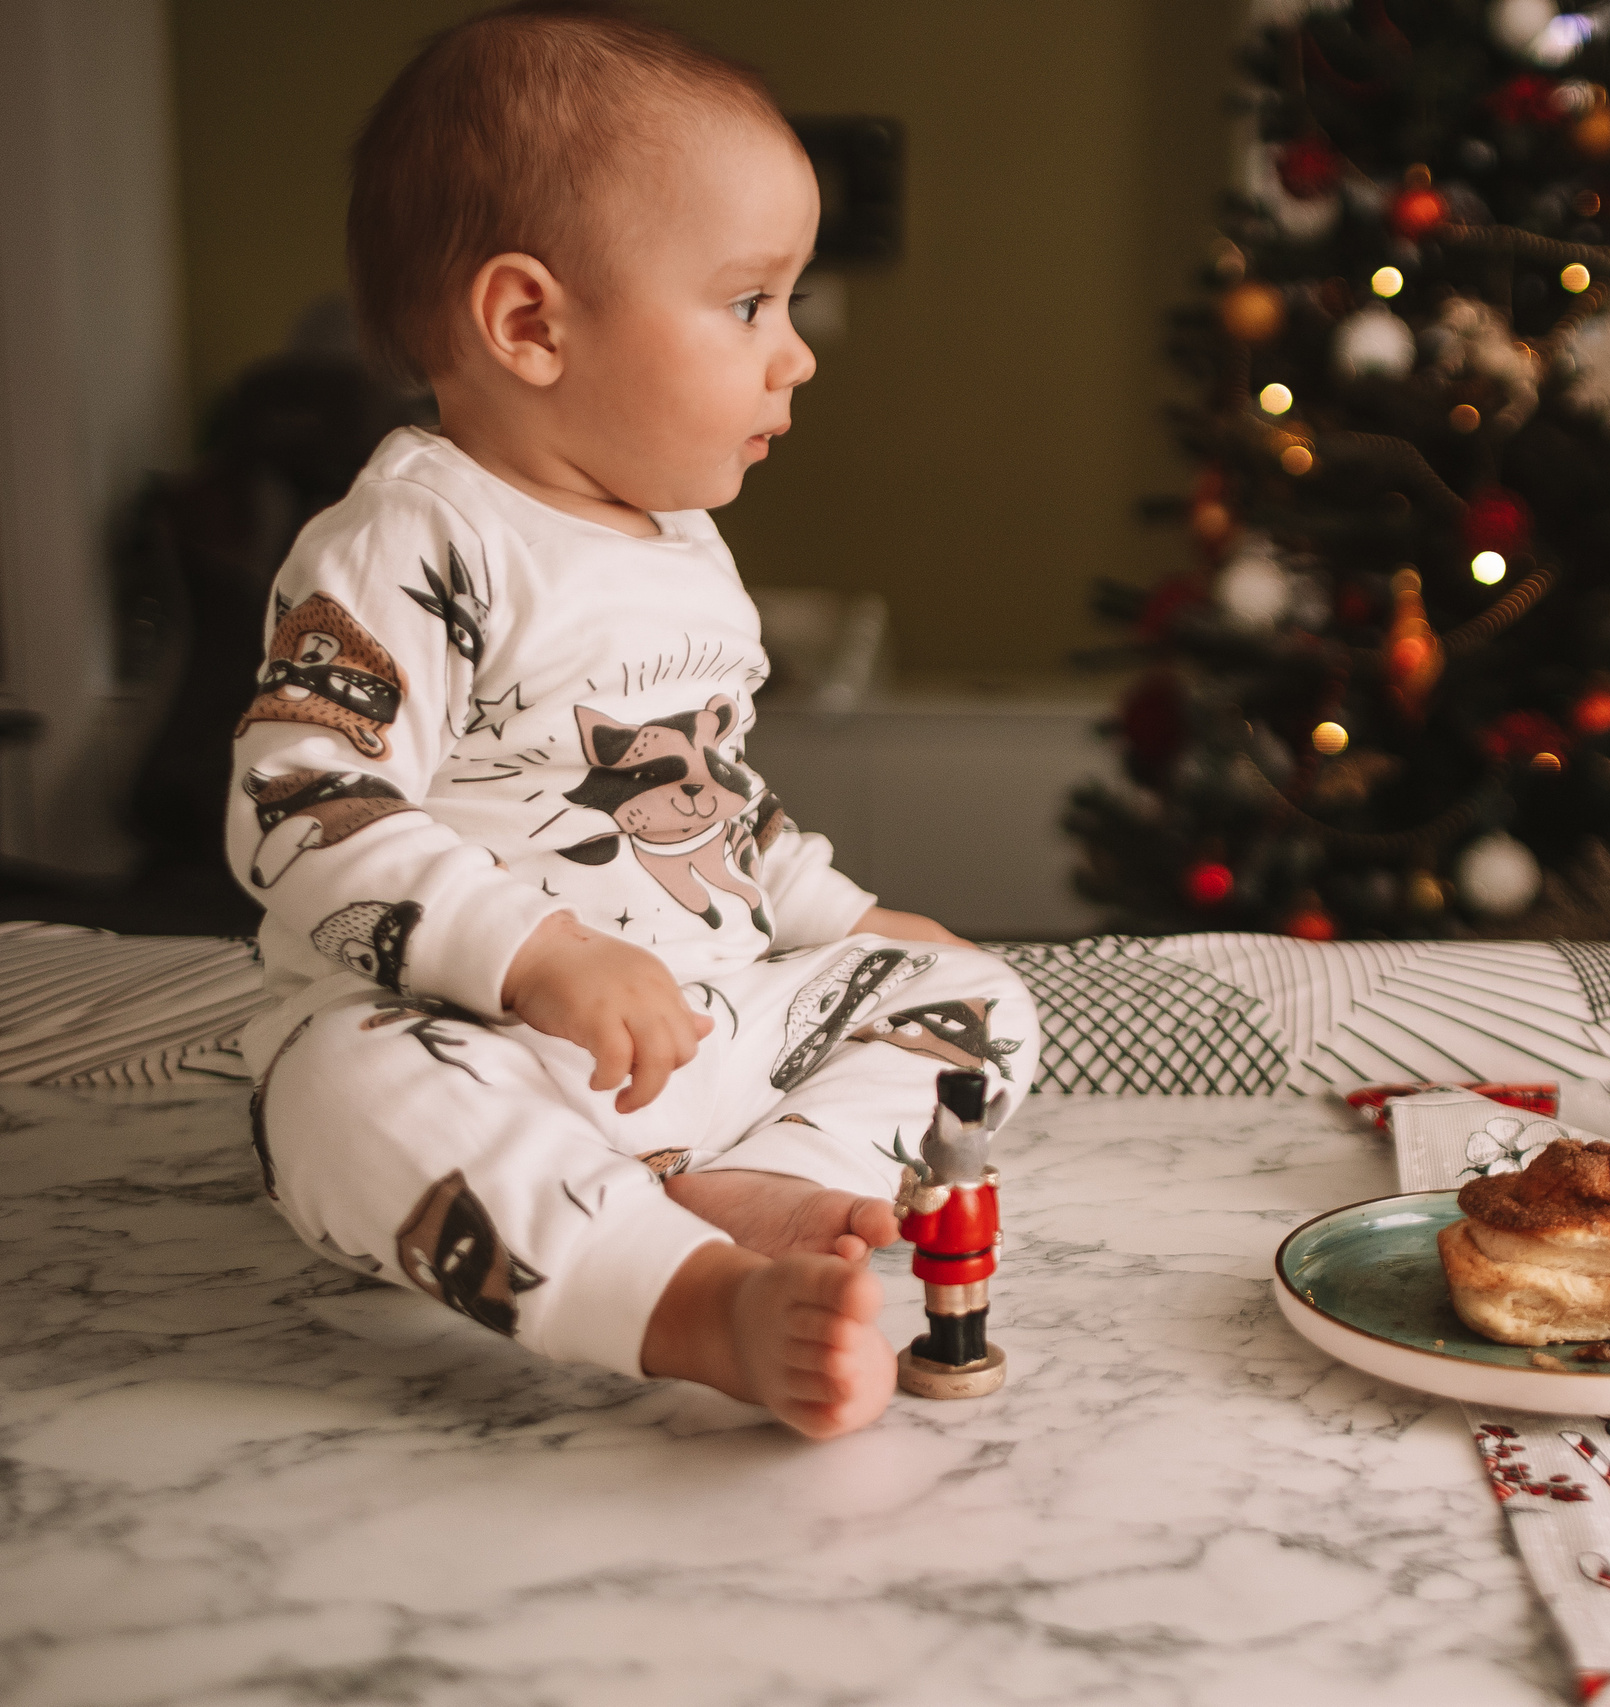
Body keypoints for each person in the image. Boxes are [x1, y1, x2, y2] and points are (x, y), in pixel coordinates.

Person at [228, 1, 1038, 1439]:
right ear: (530, 322)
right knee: (334, 1090)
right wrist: (534, 955)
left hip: (703, 1041)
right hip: (481, 1040)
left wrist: (840, 916)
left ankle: (765, 1178)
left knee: (977, 998)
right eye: (748, 304)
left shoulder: (677, 543)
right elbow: (302, 805)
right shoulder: (415, 538)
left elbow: (713, 793)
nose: (795, 355)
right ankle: (679, 1301)